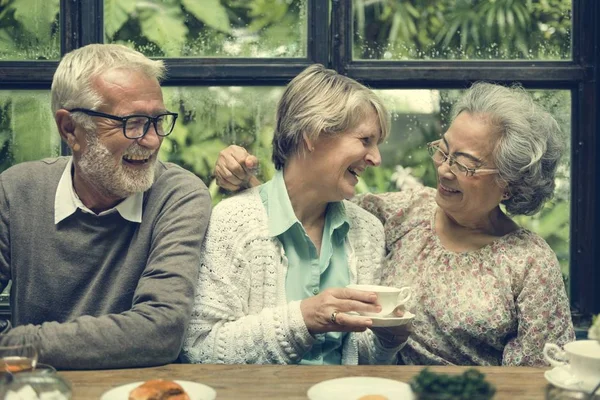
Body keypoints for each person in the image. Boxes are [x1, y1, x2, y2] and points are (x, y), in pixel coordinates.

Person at [212, 81, 575, 366]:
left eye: (463, 162)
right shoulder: (405, 213)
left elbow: (543, 374)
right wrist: (245, 180)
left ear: (510, 181)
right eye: (443, 150)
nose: (443, 169)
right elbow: (305, 198)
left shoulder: (530, 262)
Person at [181, 64, 412, 365]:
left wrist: (387, 342)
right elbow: (200, 349)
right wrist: (303, 319)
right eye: (365, 140)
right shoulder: (232, 222)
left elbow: (363, 358)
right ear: (313, 134)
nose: (376, 158)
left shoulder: (366, 230)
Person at [0, 44, 212, 369]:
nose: (153, 140)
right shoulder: (15, 192)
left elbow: (161, 331)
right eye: (132, 122)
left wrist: (16, 346)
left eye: (158, 121)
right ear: (70, 129)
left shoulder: (178, 194)